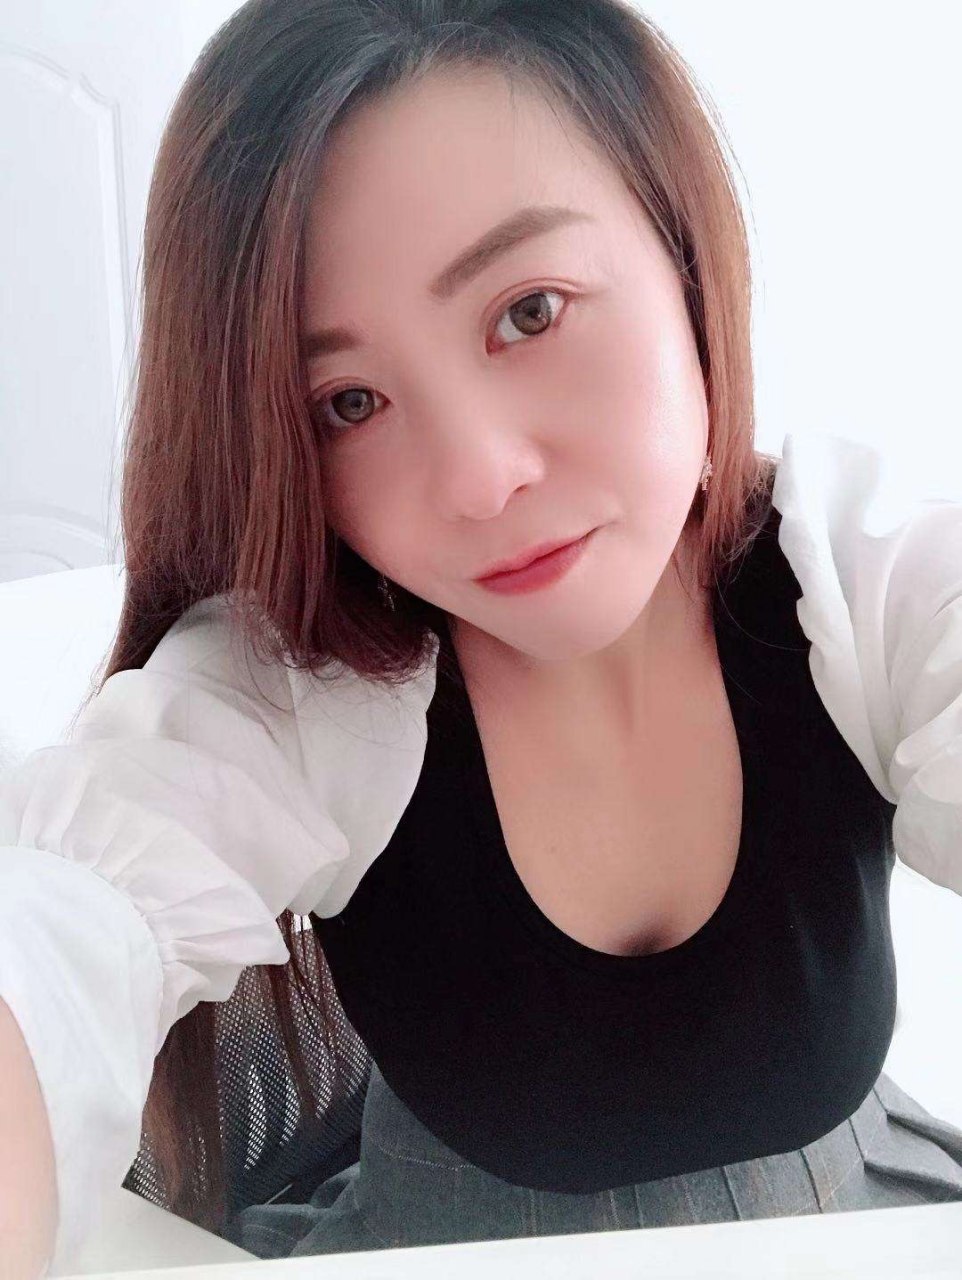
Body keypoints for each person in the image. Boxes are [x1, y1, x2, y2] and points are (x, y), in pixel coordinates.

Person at [2, 0, 961, 1274]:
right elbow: (58, 937)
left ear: (681, 249)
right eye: (347, 401)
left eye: (529, 311)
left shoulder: (861, 577)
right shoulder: (301, 696)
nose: (474, 476)